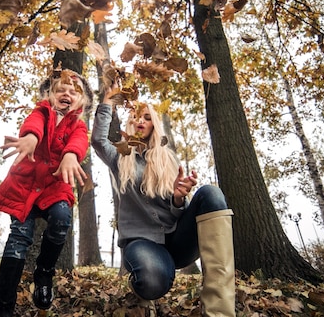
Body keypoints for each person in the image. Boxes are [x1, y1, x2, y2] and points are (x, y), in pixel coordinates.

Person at [91, 88, 235, 317]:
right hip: (141, 243)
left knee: (211, 194)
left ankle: (220, 310)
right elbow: (98, 140)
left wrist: (179, 199)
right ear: (130, 122)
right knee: (152, 281)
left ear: (154, 126)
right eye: (137, 116)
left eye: (147, 117)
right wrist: (107, 102)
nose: (141, 120)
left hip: (176, 240)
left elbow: (179, 213)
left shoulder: (168, 160)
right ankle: (142, 285)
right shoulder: (120, 158)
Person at [0, 68, 93, 317]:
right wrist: (30, 139)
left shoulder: (78, 126)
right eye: (61, 89)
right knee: (18, 240)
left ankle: (44, 271)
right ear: (50, 94)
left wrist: (70, 156)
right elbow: (34, 124)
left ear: (82, 101)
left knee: (61, 219)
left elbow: (78, 143)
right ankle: (2, 307)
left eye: (74, 91)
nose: (67, 93)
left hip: (53, 188)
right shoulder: (41, 112)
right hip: (24, 188)